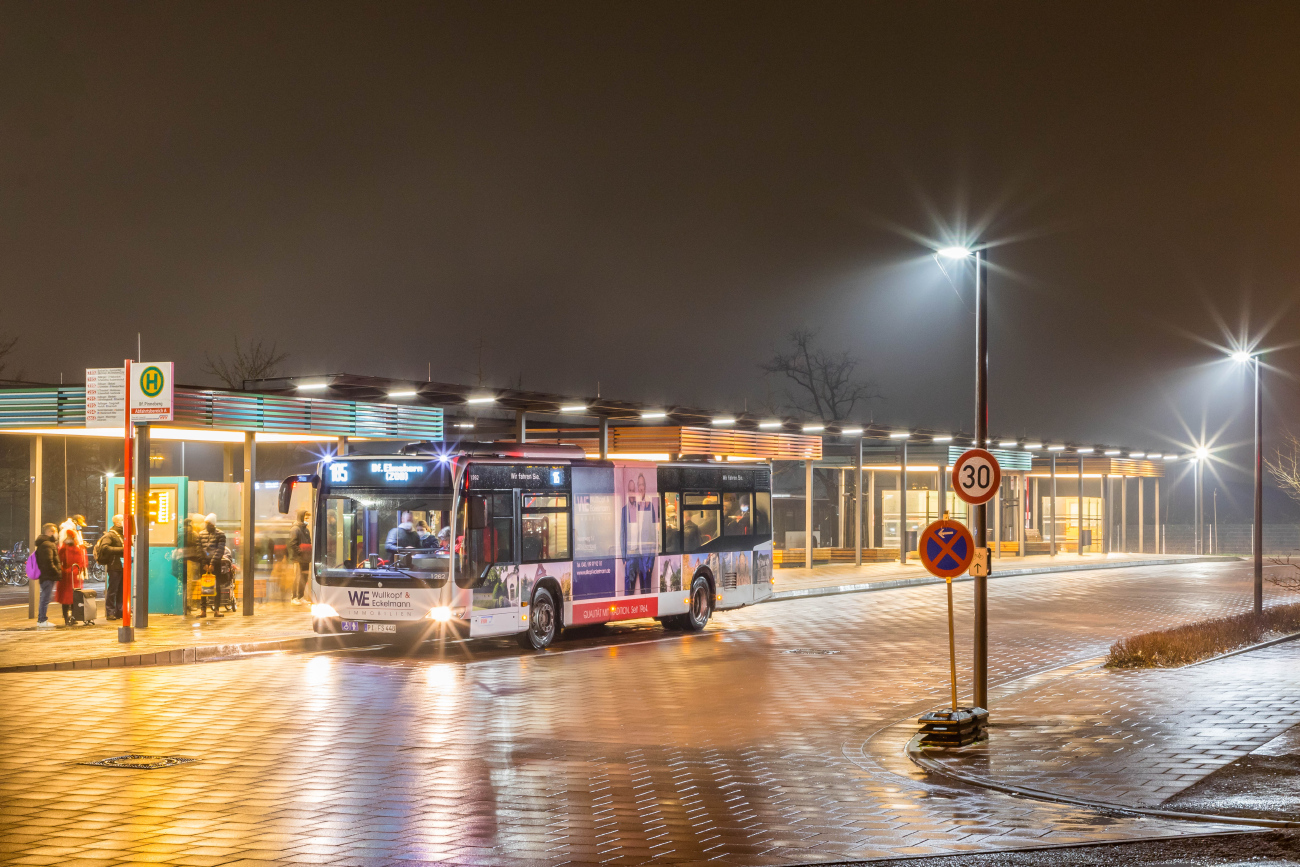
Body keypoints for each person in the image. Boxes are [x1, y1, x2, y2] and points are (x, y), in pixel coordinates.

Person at [94, 514, 126, 620]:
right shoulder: (110, 535)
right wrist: (122, 549)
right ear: (117, 522)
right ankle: (110, 612)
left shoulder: (123, 534)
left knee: (121, 589)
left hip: (122, 565)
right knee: (113, 590)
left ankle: (120, 611)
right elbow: (105, 548)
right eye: (122, 520)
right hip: (114, 566)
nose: (124, 521)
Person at [197, 514, 227, 617]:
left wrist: (212, 563)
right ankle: (203, 610)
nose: (206, 525)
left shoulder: (220, 534)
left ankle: (216, 609)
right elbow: (199, 550)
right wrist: (204, 563)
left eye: (208, 523)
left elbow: (220, 550)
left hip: (215, 564)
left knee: (216, 586)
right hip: (205, 564)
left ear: (213, 524)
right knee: (204, 586)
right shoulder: (200, 534)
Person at [56, 526, 87, 626]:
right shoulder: (63, 549)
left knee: (74, 597)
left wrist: (71, 571)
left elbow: (82, 562)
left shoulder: (78, 549)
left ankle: (73, 617)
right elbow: (59, 561)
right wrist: (65, 570)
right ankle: (66, 618)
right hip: (66, 578)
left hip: (73, 577)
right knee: (66, 599)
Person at [33, 524, 61, 629]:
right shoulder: (48, 544)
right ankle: (42, 620)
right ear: (50, 532)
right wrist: (56, 572)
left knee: (44, 598)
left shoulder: (43, 544)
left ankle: (42, 619)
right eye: (55, 531)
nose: (57, 534)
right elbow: (49, 561)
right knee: (45, 598)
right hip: (48, 575)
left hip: (45, 575)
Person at [288, 508, 312, 604]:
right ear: (301, 517)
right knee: (297, 577)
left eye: (308, 518)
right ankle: (294, 597)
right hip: (298, 559)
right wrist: (300, 552)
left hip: (305, 558)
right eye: (306, 517)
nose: (307, 519)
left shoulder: (306, 530)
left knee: (304, 578)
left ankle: (300, 596)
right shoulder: (295, 529)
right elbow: (292, 544)